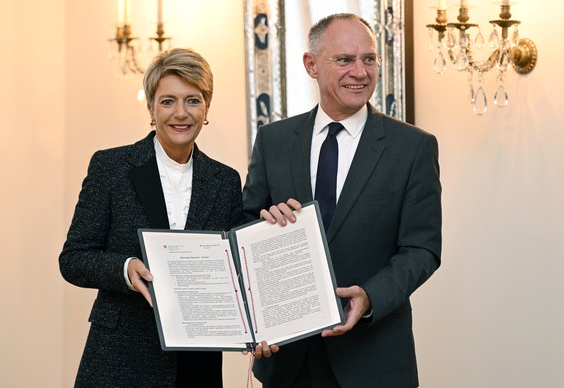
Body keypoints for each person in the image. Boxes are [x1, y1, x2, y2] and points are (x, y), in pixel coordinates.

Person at [243, 13, 442, 388]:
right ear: (311, 65)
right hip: (288, 361)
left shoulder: (413, 147)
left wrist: (369, 297)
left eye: (369, 59)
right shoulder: (273, 141)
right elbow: (245, 227)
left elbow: (422, 249)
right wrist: (266, 224)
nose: (360, 71)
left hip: (375, 359)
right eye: (345, 60)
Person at [59, 48, 242, 387]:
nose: (181, 113)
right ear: (151, 108)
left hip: (195, 365)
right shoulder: (111, 168)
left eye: (193, 100)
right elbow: (73, 259)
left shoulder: (227, 181)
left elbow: (233, 268)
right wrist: (126, 269)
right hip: (119, 358)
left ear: (206, 109)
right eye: (168, 101)